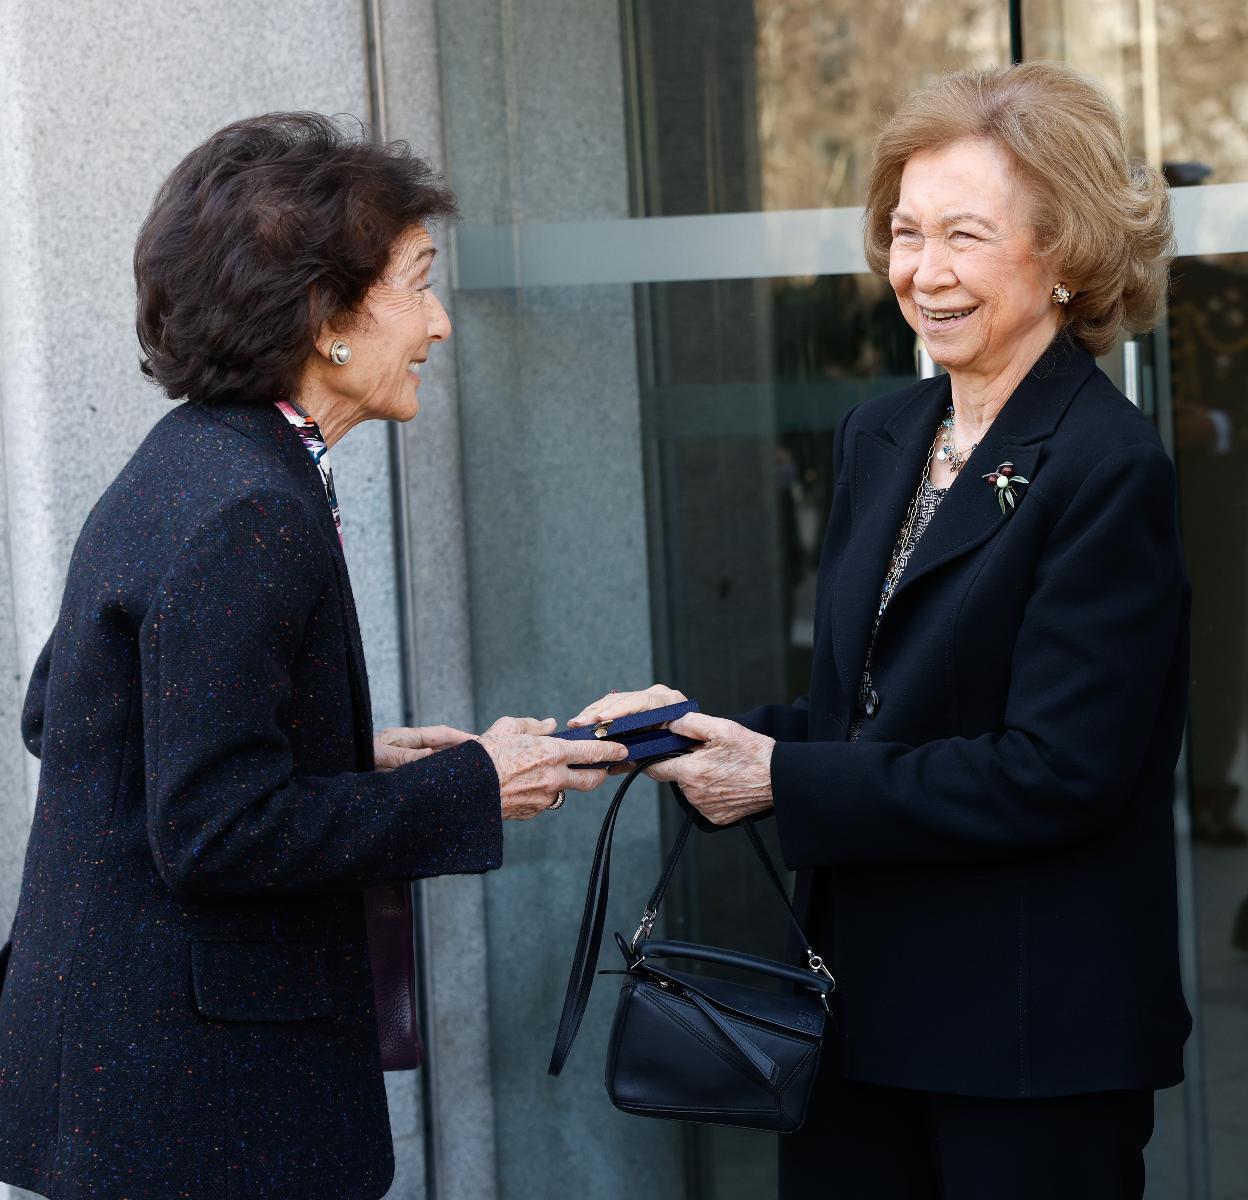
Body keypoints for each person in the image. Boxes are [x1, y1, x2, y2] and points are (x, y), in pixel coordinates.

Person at [572, 62, 1191, 1200]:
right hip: (854, 1013)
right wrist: (681, 733)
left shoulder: (1109, 466)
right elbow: (862, 711)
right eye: (907, 232)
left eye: (965, 235)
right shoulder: (884, 433)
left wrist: (778, 778)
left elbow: (1059, 773)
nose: (924, 271)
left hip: (1026, 1041)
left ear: (1066, 252)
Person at [0, 112, 626, 1200]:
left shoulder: (190, 459)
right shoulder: (249, 507)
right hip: (191, 1108)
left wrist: (335, 754)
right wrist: (473, 784)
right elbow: (213, 832)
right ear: (327, 317)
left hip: (127, 1082)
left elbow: (71, 715)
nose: (439, 324)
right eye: (418, 285)